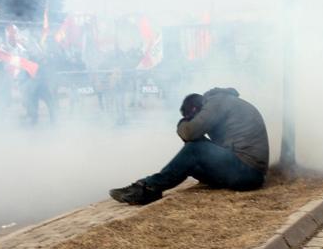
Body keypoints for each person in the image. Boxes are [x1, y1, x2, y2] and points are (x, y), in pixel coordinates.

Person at [109, 87, 269, 205]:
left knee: (195, 148)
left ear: (194, 109)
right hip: (246, 172)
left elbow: (189, 133)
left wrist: (183, 122)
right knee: (192, 158)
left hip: (247, 173)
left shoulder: (216, 102)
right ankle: (152, 188)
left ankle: (148, 188)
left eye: (190, 116)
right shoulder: (225, 102)